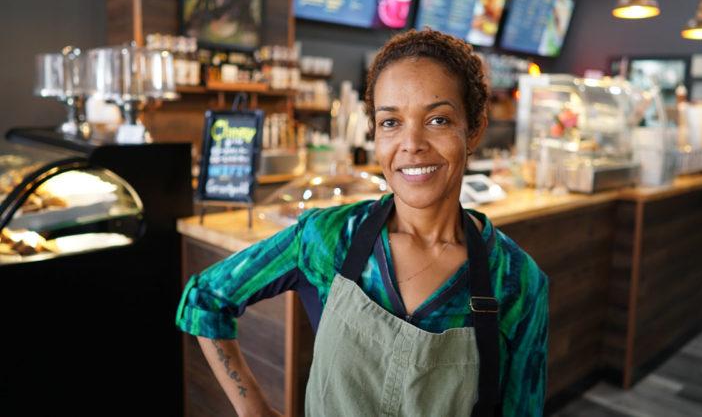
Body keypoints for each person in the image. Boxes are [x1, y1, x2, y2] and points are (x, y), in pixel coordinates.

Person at [176, 28, 549, 417]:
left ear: (474, 130)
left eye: (437, 120)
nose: (412, 143)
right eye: (391, 122)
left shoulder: (517, 280)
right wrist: (254, 410)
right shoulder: (327, 238)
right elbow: (205, 298)